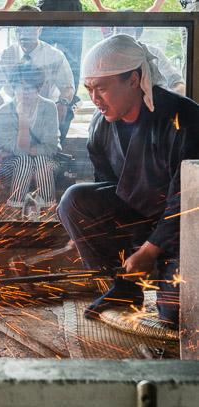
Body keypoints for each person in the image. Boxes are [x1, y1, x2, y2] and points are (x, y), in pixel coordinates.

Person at [57, 35, 199, 329]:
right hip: (141, 221)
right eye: (89, 90)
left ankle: (165, 276)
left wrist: (150, 251)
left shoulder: (183, 118)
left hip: (187, 228)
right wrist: (89, 232)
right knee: (74, 200)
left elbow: (186, 199)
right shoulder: (101, 124)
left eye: (102, 89)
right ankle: (124, 290)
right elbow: (107, 189)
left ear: (134, 80)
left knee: (178, 318)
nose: (95, 99)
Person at [0, 5, 75, 143]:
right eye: (18, 29)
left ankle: (52, 150)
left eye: (28, 29)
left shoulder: (54, 55)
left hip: (45, 109)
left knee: (67, 107)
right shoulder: (6, 55)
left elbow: (68, 87)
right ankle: (1, 151)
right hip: (15, 108)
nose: (22, 34)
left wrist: (62, 102)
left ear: (39, 29)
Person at [0, 61, 61, 217]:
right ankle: (15, 211)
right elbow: (19, 151)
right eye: (20, 87)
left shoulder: (49, 107)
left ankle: (48, 213)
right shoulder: (2, 112)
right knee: (25, 162)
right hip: (12, 167)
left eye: (31, 87)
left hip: (45, 164)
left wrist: (23, 150)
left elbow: (51, 148)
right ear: (12, 87)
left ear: (39, 88)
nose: (26, 92)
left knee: (42, 162)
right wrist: (23, 118)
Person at [108, 10, 185, 95]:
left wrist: (166, 102)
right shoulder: (106, 56)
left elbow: (177, 82)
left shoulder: (154, 53)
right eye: (117, 31)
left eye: (127, 30)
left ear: (138, 33)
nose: (121, 35)